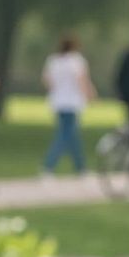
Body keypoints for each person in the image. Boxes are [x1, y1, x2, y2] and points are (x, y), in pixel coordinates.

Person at [41, 33, 96, 174]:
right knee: (65, 135)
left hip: (58, 101)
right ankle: (48, 165)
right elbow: (82, 80)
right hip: (72, 102)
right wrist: (89, 94)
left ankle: (80, 167)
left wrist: (56, 89)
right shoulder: (77, 61)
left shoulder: (53, 60)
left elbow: (47, 80)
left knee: (72, 135)